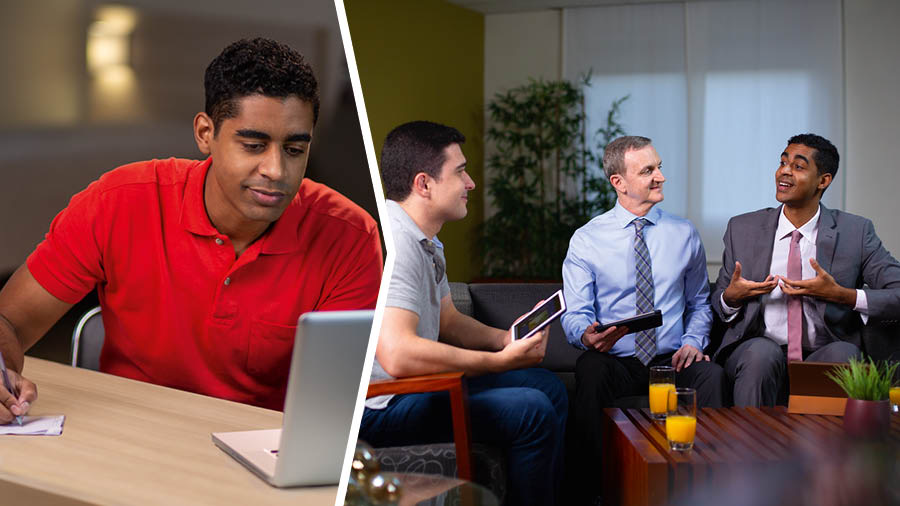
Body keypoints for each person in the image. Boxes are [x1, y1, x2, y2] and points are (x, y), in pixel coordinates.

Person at [0, 38, 383, 419]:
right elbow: (10, 322)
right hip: (126, 433)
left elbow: (336, 408)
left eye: (295, 150)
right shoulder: (119, 201)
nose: (277, 171)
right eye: (253, 145)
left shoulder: (351, 237)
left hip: (259, 454)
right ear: (205, 134)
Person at [361, 121, 567, 506]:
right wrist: (496, 362)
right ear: (424, 184)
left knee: (548, 386)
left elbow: (450, 321)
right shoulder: (398, 243)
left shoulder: (426, 240)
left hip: (413, 390)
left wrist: (505, 339)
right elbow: (398, 353)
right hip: (382, 404)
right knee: (533, 409)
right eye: (460, 171)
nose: (471, 182)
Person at [561, 135, 724, 504]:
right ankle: (593, 494)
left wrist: (692, 342)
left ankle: (711, 489)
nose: (661, 177)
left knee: (712, 375)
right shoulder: (587, 240)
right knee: (590, 368)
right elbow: (576, 313)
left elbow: (700, 303)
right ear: (618, 182)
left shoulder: (684, 233)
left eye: (660, 167)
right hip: (617, 360)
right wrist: (587, 336)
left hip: (672, 359)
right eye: (648, 170)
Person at [712, 133, 900, 407]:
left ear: (823, 181)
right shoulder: (743, 229)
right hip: (758, 348)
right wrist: (731, 297)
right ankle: (748, 444)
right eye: (782, 162)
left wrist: (842, 295)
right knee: (761, 354)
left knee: (843, 355)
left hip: (826, 347)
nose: (784, 171)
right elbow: (719, 303)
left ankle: (831, 449)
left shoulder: (855, 232)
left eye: (798, 166)